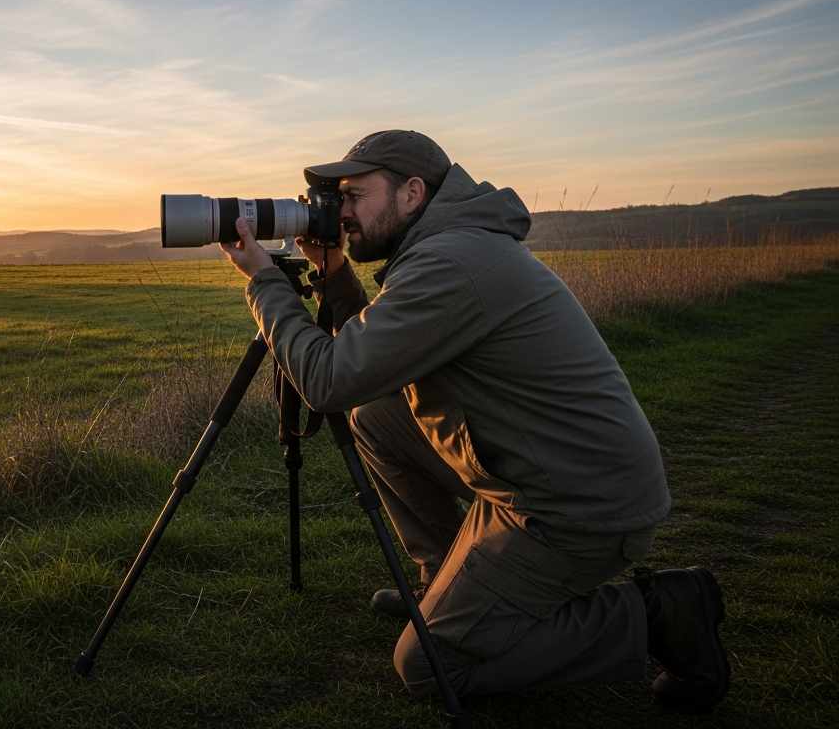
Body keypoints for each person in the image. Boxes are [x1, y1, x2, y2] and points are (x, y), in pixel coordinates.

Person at [219, 130, 729, 712]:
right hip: (538, 473)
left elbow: (329, 380)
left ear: (411, 193)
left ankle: (659, 614)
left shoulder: (450, 262)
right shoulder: (451, 246)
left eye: (355, 195)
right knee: (377, 415)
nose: (342, 212)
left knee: (428, 667)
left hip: (577, 510)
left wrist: (264, 281)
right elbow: (377, 362)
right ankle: (446, 581)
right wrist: (333, 274)